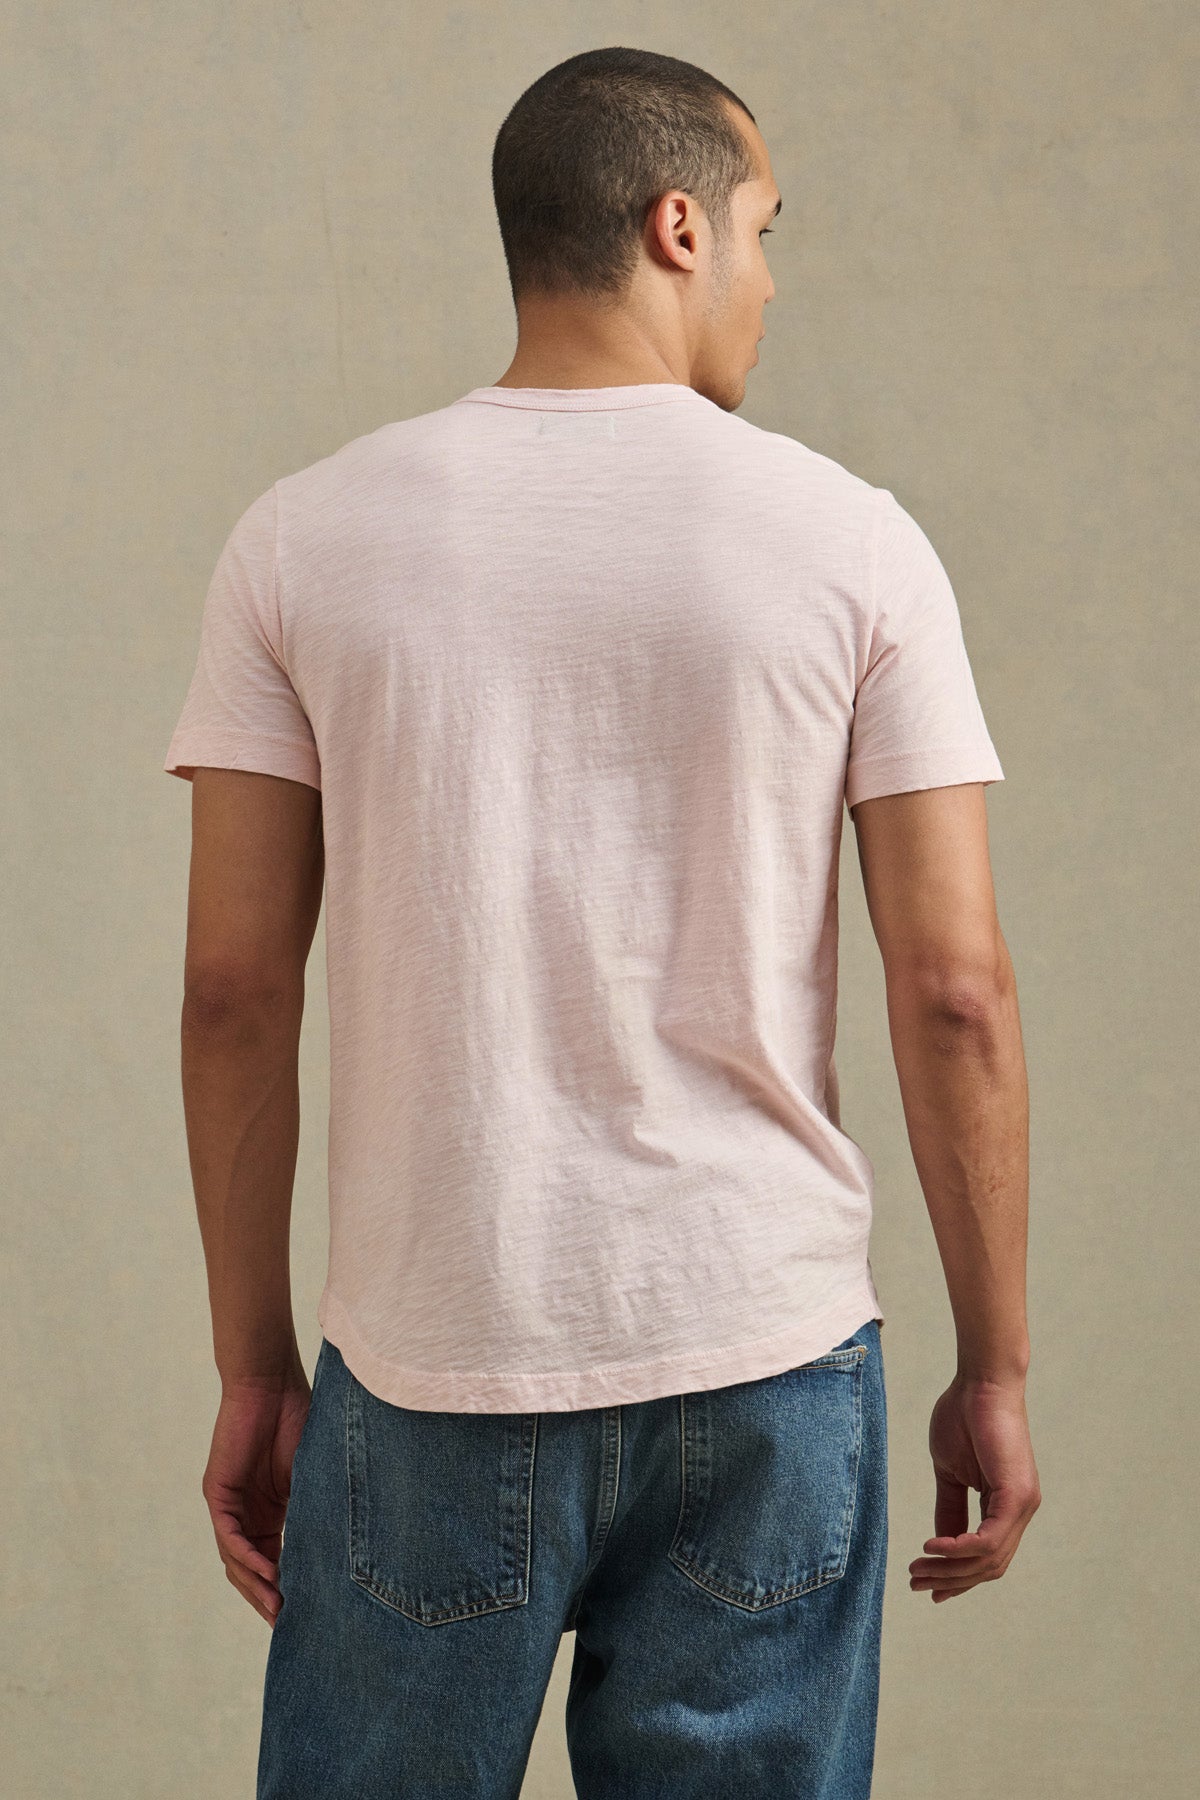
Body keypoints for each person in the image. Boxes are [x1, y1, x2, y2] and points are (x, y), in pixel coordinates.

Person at [163, 44, 1039, 1800]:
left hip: (429, 1361)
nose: (776, 283)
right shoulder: (856, 547)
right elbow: (955, 993)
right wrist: (994, 1361)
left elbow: (234, 990)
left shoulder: (300, 543)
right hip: (767, 1359)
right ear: (678, 226)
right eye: (769, 230)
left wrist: (257, 1363)